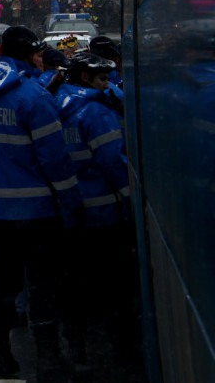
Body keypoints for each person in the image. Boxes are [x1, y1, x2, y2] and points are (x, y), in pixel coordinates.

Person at [0, 25, 83, 380]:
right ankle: (48, 357)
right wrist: (71, 202)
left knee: (0, 280)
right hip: (36, 211)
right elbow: (56, 161)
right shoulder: (33, 97)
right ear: (31, 54)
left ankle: (1, 356)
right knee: (41, 284)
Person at [55, 51, 134, 371]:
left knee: (74, 287)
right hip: (104, 215)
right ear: (86, 78)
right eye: (102, 78)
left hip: (69, 213)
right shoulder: (96, 111)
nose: (107, 84)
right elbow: (113, 161)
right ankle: (122, 354)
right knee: (115, 288)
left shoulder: (55, 104)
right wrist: (129, 197)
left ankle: (76, 349)